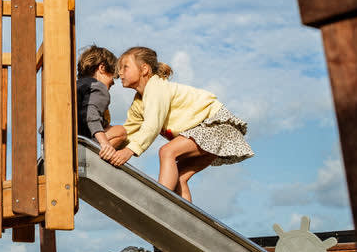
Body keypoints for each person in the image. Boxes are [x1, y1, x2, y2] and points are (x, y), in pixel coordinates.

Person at [100, 46, 252, 202]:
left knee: (167, 152)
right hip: (202, 135)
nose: (120, 73)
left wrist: (129, 151)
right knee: (178, 178)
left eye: (125, 67)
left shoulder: (156, 87)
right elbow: (128, 133)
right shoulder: (139, 102)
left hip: (215, 126)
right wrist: (107, 147)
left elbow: (152, 126)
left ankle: (158, 202)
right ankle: (187, 222)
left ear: (144, 69)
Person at [76, 45, 117, 156]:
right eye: (112, 76)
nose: (113, 82)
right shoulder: (98, 87)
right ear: (102, 68)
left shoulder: (77, 86)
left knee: (107, 127)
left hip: (60, 139)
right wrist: (104, 143)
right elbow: (91, 113)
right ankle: (102, 157)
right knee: (120, 131)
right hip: (79, 145)